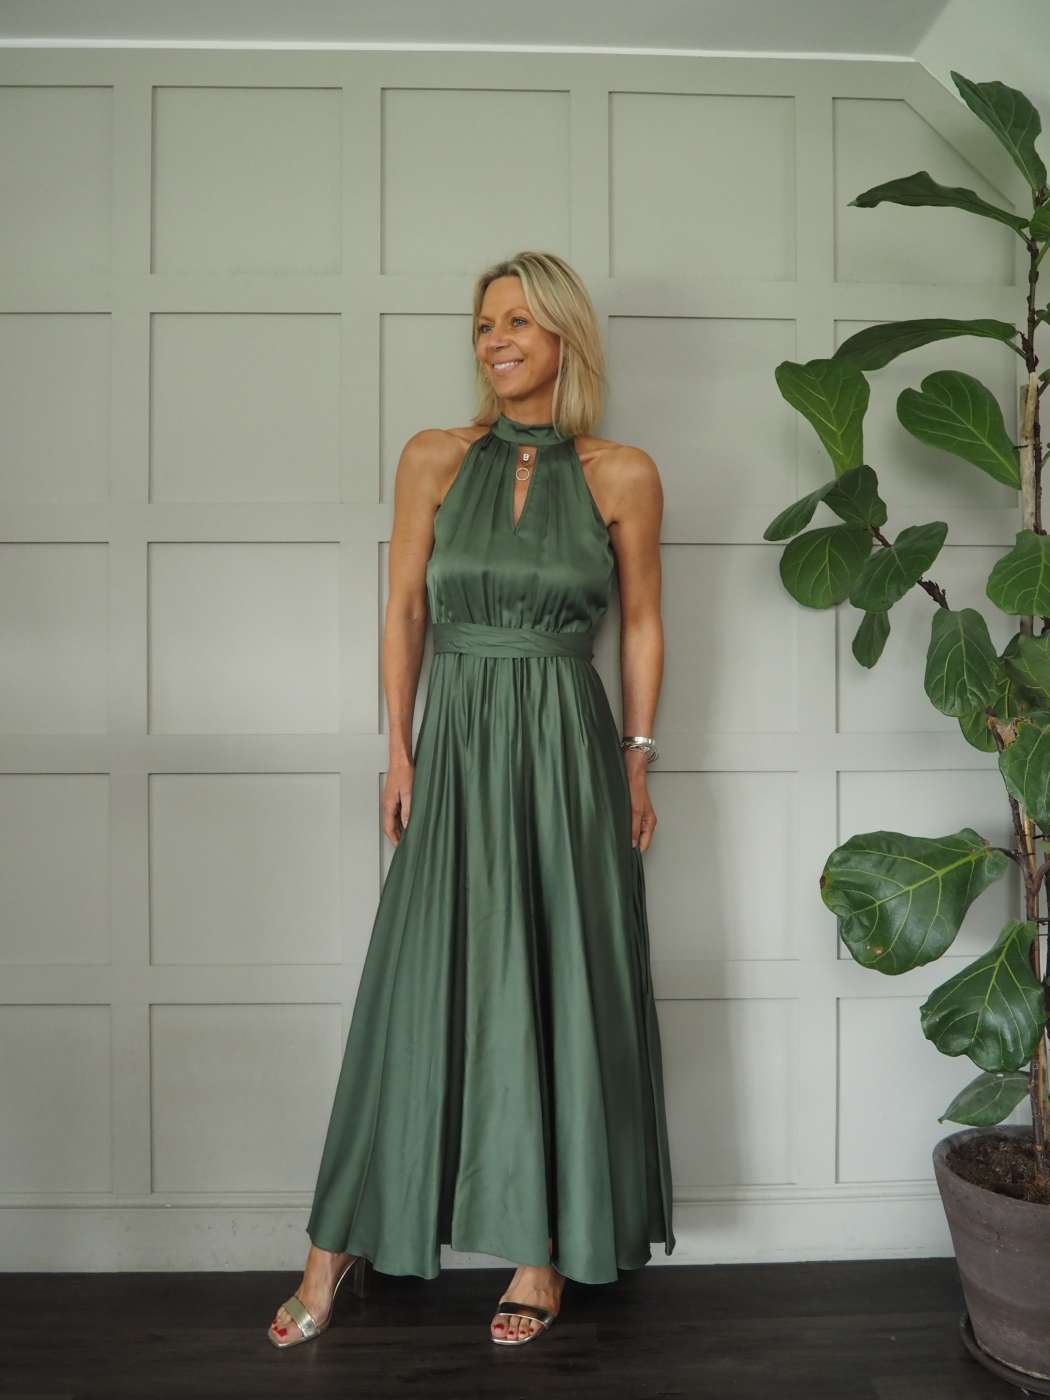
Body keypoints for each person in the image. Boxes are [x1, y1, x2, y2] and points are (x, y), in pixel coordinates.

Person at [268, 250, 675, 1350]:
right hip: (454, 747)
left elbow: (642, 621)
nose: (496, 340)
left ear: (566, 338)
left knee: (556, 976)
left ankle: (541, 1251)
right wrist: (398, 753)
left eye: (519, 322)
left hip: (569, 748)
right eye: (486, 323)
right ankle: (336, 1243)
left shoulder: (624, 473)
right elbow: (404, 609)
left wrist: (636, 758)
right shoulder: (433, 457)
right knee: (416, 980)